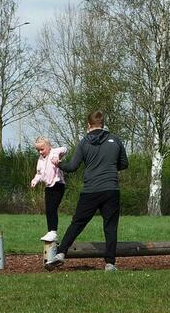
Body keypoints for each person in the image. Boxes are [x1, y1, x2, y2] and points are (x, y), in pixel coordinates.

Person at [46, 110, 128, 271]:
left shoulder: (84, 142)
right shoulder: (115, 140)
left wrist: (58, 163)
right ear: (103, 124)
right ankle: (110, 263)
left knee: (77, 223)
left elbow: (72, 167)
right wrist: (110, 166)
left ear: (88, 125)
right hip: (111, 189)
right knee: (110, 227)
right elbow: (124, 163)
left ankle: (61, 253)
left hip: (90, 190)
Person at [29, 137, 68, 243]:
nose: (40, 152)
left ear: (49, 146)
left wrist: (56, 156)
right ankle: (51, 231)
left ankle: (53, 232)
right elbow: (39, 174)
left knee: (52, 208)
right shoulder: (40, 160)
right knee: (48, 210)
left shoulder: (54, 152)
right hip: (48, 187)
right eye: (38, 150)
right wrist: (35, 180)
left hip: (58, 184)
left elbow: (64, 149)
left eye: (42, 149)